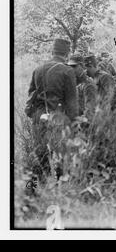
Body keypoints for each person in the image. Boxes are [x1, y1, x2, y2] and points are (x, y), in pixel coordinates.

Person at [25, 38, 79, 179]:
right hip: (58, 117)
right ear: (67, 54)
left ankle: (43, 183)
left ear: (52, 51)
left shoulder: (38, 69)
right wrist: (74, 123)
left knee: (41, 151)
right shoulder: (68, 71)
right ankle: (61, 182)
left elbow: (31, 94)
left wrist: (37, 113)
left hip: (39, 116)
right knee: (62, 152)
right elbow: (71, 102)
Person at [67, 54, 97, 121]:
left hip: (85, 125)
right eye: (69, 67)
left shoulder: (88, 85)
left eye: (74, 66)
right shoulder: (75, 83)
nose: (71, 69)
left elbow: (90, 112)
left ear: (82, 66)